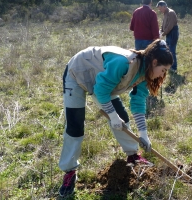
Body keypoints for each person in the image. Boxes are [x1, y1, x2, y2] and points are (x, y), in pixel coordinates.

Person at [58, 39, 173, 197]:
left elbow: (138, 102)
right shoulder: (124, 63)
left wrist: (143, 134)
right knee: (75, 126)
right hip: (77, 73)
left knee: (122, 118)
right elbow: (101, 91)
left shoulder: (144, 72)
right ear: (154, 62)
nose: (163, 74)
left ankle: (133, 155)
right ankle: (69, 171)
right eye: (163, 69)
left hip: (101, 83)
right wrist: (112, 116)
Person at [156, 0, 179, 73]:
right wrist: (160, 30)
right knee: (168, 50)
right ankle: (170, 65)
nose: (160, 10)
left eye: (160, 8)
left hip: (172, 33)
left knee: (172, 50)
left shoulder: (171, 13)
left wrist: (163, 34)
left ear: (164, 6)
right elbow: (164, 24)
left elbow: (170, 26)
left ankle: (174, 68)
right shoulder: (165, 13)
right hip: (169, 33)